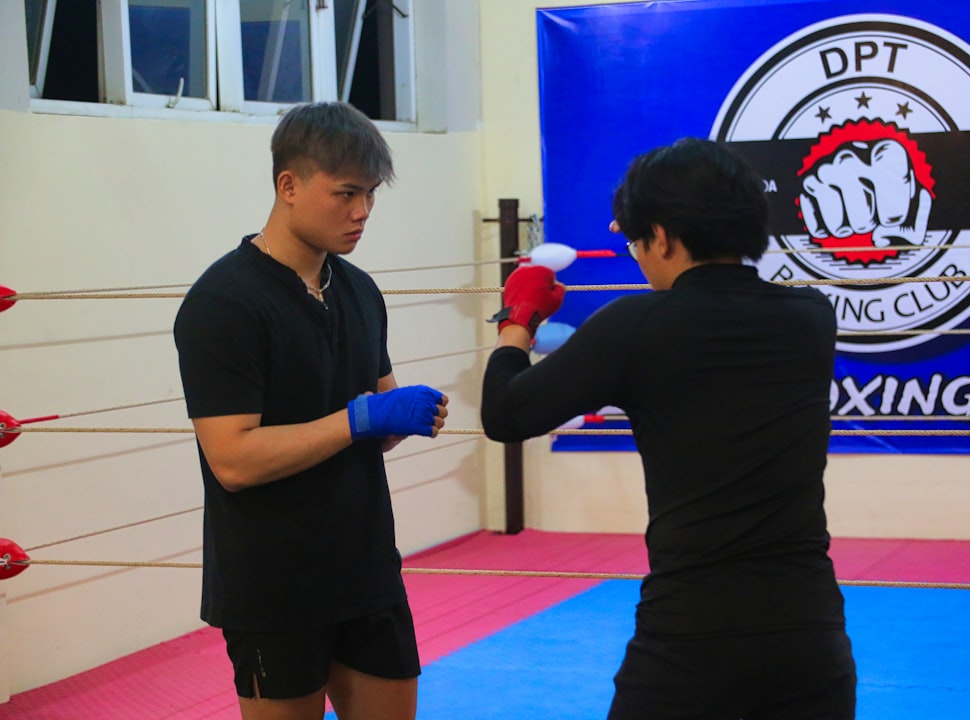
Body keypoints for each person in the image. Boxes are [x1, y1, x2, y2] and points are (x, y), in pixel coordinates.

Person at [481, 137, 856, 719]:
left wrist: (518, 320)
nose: (635, 253)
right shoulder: (811, 317)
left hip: (692, 634)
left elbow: (505, 414)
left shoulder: (636, 327)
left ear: (661, 236)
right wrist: (647, 218)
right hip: (810, 633)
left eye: (637, 239)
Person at [173, 101, 448, 720]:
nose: (362, 212)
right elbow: (233, 460)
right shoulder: (223, 303)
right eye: (346, 193)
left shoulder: (358, 289)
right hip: (274, 583)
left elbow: (374, 423)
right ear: (289, 186)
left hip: (367, 568)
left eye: (371, 195)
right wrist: (359, 419)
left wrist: (401, 418)